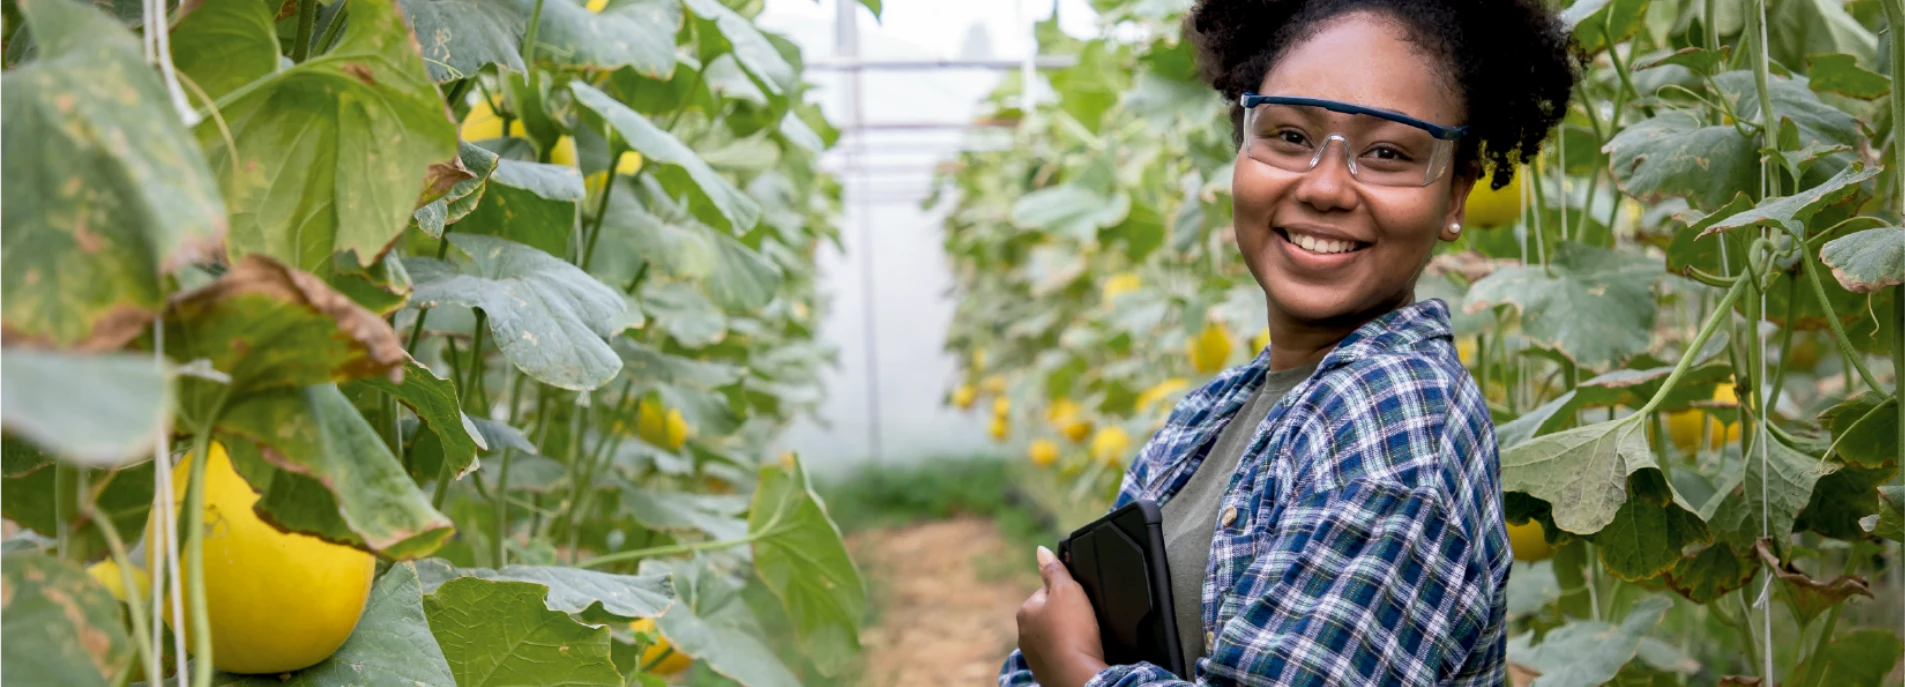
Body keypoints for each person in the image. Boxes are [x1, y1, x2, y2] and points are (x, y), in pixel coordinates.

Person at [1000, 0, 1580, 684]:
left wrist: (1073, 669)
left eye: (1388, 152)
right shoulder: (1211, 413)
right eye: (1288, 135)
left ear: (1455, 195)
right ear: (1242, 146)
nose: (1326, 187)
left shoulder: (1398, 421)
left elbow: (1059, 654)